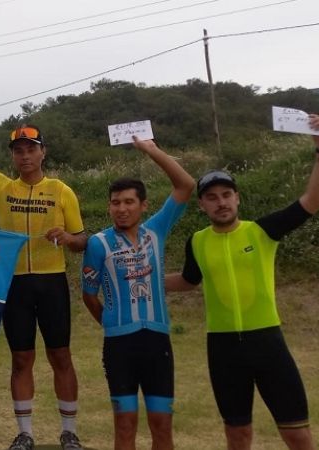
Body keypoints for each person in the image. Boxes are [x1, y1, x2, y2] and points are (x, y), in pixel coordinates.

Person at [165, 115, 319, 450]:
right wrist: (140, 280)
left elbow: (313, 200)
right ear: (202, 205)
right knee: (237, 434)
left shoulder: (262, 232)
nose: (221, 202)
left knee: (296, 433)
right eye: (211, 197)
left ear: (237, 198)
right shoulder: (197, 241)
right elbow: (188, 281)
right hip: (223, 348)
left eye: (226, 194)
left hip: (267, 342)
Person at [0, 79, 87, 450]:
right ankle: (25, 433)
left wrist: (68, 238)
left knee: (61, 356)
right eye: (18, 150)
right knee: (21, 359)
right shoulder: (2, 187)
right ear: (12, 156)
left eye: (30, 149)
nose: (24, 156)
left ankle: (69, 431)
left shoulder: (61, 191)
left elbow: (81, 241)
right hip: (15, 285)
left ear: (43, 153)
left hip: (52, 282)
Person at [81, 137, 195, 450]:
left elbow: (185, 185)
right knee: (125, 426)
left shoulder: (156, 230)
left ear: (143, 205)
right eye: (115, 202)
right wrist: (110, 322)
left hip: (158, 342)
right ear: (109, 206)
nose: (122, 208)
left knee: (161, 426)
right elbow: (89, 294)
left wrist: (151, 150)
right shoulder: (97, 244)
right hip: (118, 345)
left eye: (129, 202)